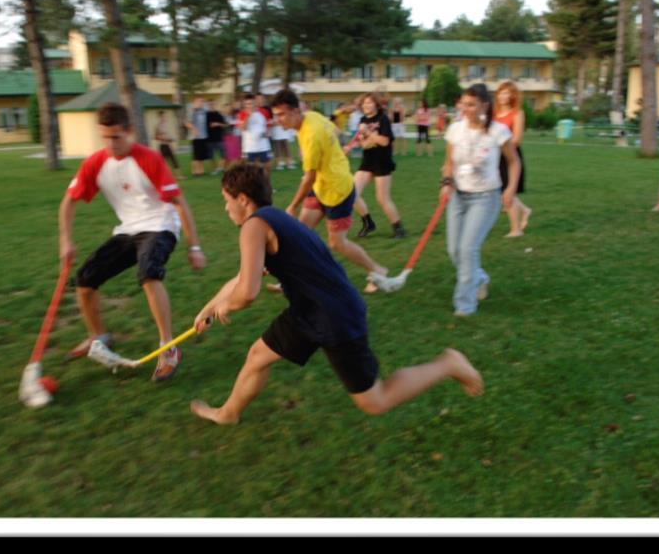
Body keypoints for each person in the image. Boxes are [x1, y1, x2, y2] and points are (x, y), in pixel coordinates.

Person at [189, 164, 483, 425]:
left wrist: (228, 305)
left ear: (243, 199)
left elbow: (247, 292)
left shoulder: (254, 226)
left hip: (334, 314)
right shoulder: (273, 219)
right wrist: (210, 307)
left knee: (374, 400)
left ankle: (448, 364)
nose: (226, 209)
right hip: (309, 310)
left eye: (226, 202)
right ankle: (229, 413)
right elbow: (243, 277)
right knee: (257, 356)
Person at [59, 103, 206, 380]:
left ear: (130, 131)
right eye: (105, 137)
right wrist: (65, 240)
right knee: (84, 281)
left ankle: (168, 347)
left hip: (160, 226)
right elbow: (68, 201)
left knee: (148, 273)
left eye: (116, 137)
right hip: (127, 230)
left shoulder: (149, 159)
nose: (110, 144)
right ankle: (98, 336)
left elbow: (179, 203)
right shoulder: (94, 163)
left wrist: (193, 246)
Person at [270, 88, 392, 293]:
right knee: (300, 234)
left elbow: (308, 177)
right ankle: (289, 280)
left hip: (337, 190)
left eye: (281, 114)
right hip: (321, 186)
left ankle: (378, 270)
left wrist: (292, 205)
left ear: (294, 111)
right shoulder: (310, 117)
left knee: (337, 243)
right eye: (275, 115)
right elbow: (334, 128)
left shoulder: (311, 134)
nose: (278, 120)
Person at [440, 84, 521, 317]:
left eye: (471, 104)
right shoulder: (455, 129)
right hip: (458, 195)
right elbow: (449, 162)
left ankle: (464, 305)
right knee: (454, 250)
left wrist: (511, 189)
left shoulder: (498, 131)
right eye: (463, 103)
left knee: (467, 249)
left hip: (485, 198)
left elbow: (514, 162)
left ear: (484, 105)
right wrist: (446, 183)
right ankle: (480, 278)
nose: (465, 109)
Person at [352, 92, 406, 239]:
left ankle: (398, 228)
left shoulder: (383, 119)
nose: (366, 105)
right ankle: (368, 222)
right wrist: (367, 138)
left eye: (369, 103)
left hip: (382, 161)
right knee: (350, 193)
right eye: (364, 103)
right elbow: (364, 144)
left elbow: (385, 142)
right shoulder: (362, 120)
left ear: (376, 105)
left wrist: (368, 132)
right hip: (367, 162)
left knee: (382, 198)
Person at [493, 81, 532, 237]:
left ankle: (516, 230)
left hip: (510, 156)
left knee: (506, 193)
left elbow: (516, 139)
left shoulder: (517, 113)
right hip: (495, 155)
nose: (503, 96)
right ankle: (524, 210)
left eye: (507, 93)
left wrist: (502, 149)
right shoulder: (494, 113)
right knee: (501, 191)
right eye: (501, 92)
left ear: (512, 96)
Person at [240, 93, 273, 178]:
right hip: (249, 147)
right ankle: (252, 188)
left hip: (263, 145)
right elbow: (243, 128)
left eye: (251, 103)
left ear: (255, 103)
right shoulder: (242, 113)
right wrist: (248, 115)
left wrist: (268, 132)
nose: (249, 106)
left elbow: (268, 125)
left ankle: (267, 186)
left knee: (267, 166)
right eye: (247, 104)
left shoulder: (264, 112)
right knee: (250, 169)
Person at [185, 97, 210, 177]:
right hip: (195, 137)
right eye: (199, 102)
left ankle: (201, 171)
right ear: (194, 103)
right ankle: (195, 172)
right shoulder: (192, 111)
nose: (201, 103)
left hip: (203, 136)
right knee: (196, 156)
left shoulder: (204, 111)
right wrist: (194, 129)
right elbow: (186, 123)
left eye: (202, 102)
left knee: (201, 156)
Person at [153, 110, 183, 179]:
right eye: (163, 116)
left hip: (168, 145)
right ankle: (163, 176)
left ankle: (179, 175)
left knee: (174, 160)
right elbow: (156, 137)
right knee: (163, 162)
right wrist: (165, 139)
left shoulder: (166, 125)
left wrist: (171, 139)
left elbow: (168, 135)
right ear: (160, 117)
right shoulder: (158, 126)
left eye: (165, 116)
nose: (164, 117)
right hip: (163, 146)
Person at [205, 99, 228, 175]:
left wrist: (218, 124)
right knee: (211, 156)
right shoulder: (206, 114)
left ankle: (220, 168)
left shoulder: (219, 114)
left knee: (224, 155)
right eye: (210, 104)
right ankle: (214, 169)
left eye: (213, 104)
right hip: (209, 138)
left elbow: (225, 125)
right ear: (208, 105)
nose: (211, 105)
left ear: (215, 104)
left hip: (219, 138)